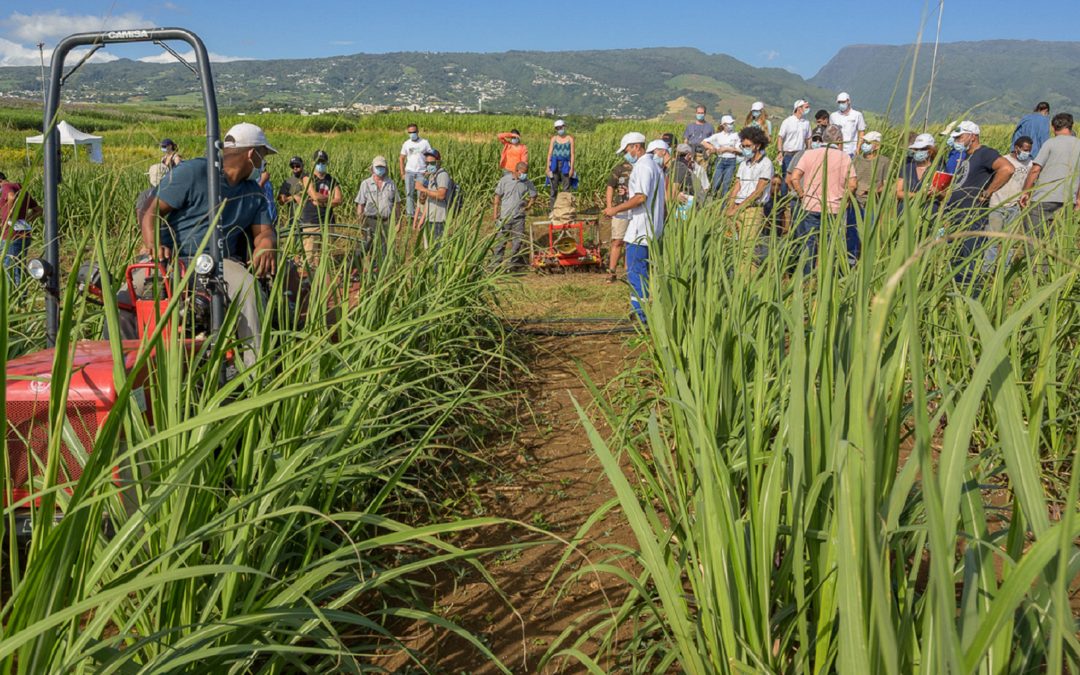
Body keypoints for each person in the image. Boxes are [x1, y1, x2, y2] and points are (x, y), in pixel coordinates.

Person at [133, 122, 276, 366]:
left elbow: (264, 232)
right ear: (251, 154)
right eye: (262, 155)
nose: (263, 162)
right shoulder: (195, 172)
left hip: (220, 263)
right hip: (173, 259)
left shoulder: (253, 193)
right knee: (126, 295)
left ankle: (254, 371)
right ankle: (130, 367)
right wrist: (153, 243)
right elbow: (151, 210)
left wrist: (266, 246)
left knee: (249, 291)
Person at [602, 132, 665, 322]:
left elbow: (640, 197)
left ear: (636, 147)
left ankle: (641, 314)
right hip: (651, 227)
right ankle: (640, 310)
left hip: (641, 230)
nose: (627, 154)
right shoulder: (655, 166)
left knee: (636, 272)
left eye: (628, 150)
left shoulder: (643, 166)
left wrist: (615, 209)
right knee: (642, 272)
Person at [942, 120, 1015, 279]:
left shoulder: (985, 153)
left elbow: (1007, 169)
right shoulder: (966, 156)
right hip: (957, 217)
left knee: (968, 262)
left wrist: (987, 192)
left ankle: (971, 295)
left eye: (960, 137)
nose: (957, 141)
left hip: (972, 217)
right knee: (955, 260)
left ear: (973, 137)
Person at [787, 125, 858, 271]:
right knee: (830, 245)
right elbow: (853, 184)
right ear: (839, 140)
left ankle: (806, 280)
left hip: (810, 206)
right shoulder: (844, 157)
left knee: (809, 245)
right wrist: (844, 200)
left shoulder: (809, 154)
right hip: (834, 208)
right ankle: (826, 278)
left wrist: (802, 195)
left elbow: (794, 178)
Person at [1018, 113, 1080, 237]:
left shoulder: (1050, 143)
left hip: (1043, 198)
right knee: (1058, 238)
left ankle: (1036, 256)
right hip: (1068, 200)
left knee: (1033, 237)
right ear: (1071, 126)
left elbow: (1035, 170)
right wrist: (1078, 199)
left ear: (1053, 127)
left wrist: (1026, 192)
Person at [984, 136, 1033, 267]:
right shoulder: (1004, 160)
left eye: (1029, 150)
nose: (1026, 153)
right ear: (1017, 148)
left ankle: (1005, 269)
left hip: (1015, 206)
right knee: (992, 240)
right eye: (1025, 150)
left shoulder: (1030, 163)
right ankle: (987, 270)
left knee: (1009, 241)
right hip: (997, 204)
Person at [725, 126, 773, 241]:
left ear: (757, 145)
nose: (745, 149)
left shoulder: (766, 164)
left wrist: (737, 209)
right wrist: (730, 206)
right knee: (730, 242)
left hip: (752, 209)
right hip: (736, 205)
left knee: (747, 245)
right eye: (743, 146)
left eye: (748, 146)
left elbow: (758, 192)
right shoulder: (743, 164)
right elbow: (737, 186)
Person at [299, 150, 343, 265]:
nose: (321, 165)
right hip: (312, 222)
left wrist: (321, 202)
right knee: (309, 255)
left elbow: (339, 200)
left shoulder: (331, 180)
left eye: (323, 162)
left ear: (326, 163)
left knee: (325, 256)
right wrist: (329, 198)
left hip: (328, 221)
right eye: (318, 162)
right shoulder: (307, 178)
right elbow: (314, 195)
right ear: (313, 162)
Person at [492, 161, 538, 269]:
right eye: (523, 172)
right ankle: (495, 266)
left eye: (526, 173)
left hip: (519, 218)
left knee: (517, 243)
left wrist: (529, 206)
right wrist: (495, 214)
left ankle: (513, 265)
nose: (525, 175)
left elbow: (534, 195)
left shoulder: (527, 182)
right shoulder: (505, 180)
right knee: (500, 243)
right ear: (516, 171)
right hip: (504, 217)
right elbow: (497, 196)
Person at [354, 155, 400, 259]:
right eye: (377, 167)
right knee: (366, 246)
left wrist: (398, 221)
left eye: (382, 167)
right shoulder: (365, 184)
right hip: (370, 220)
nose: (380, 169)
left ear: (386, 168)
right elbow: (360, 205)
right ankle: (357, 267)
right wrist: (360, 222)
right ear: (373, 168)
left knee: (384, 248)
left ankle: (381, 271)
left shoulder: (391, 184)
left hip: (386, 221)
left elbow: (397, 203)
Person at [0, 172, 42, 286]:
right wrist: (25, 219)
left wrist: (10, 213)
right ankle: (20, 299)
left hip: (11, 235)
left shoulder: (6, 187)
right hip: (23, 234)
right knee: (18, 268)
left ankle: (14, 300)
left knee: (10, 270)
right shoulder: (20, 188)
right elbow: (38, 210)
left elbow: (11, 197)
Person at [413, 148, 452, 245]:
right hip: (430, 218)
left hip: (438, 219)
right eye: (427, 163)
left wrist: (423, 189)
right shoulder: (432, 176)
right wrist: (422, 218)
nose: (429, 166)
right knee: (430, 246)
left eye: (432, 163)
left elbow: (441, 195)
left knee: (436, 247)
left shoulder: (442, 175)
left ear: (438, 162)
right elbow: (429, 200)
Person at [604, 158, 633, 282]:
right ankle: (612, 271)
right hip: (620, 209)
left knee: (630, 242)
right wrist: (610, 206)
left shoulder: (641, 167)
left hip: (636, 210)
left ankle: (628, 271)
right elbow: (610, 186)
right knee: (617, 241)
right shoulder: (619, 169)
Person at [399, 123, 433, 220]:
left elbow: (431, 156)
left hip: (421, 172)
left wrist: (429, 170)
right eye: (410, 132)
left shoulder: (425, 143)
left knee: (421, 193)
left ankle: (421, 214)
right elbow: (401, 158)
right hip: (409, 172)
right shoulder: (406, 143)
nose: (412, 134)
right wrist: (402, 173)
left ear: (417, 132)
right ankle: (410, 214)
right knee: (409, 193)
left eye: (414, 132)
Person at [702, 115, 740, 197]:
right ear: (723, 125)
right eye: (729, 123)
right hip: (720, 160)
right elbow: (704, 142)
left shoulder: (736, 135)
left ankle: (723, 205)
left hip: (731, 161)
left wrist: (726, 149)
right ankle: (712, 200)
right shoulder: (718, 136)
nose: (731, 125)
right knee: (716, 183)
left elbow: (739, 149)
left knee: (727, 184)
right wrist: (713, 148)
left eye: (732, 123)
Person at [896, 133, 936, 206]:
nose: (918, 151)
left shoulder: (938, 169)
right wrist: (919, 195)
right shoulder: (907, 168)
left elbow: (945, 195)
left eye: (922, 149)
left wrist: (936, 192)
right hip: (904, 212)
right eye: (916, 149)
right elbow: (898, 192)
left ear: (930, 151)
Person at [546, 120, 575, 208]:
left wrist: (572, 168)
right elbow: (550, 153)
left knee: (566, 188)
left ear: (564, 127)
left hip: (566, 164)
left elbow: (572, 154)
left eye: (561, 127)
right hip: (554, 164)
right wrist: (548, 167)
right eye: (557, 128)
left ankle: (566, 209)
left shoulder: (570, 139)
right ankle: (552, 209)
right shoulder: (554, 139)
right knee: (553, 188)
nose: (559, 129)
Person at [830, 92, 866, 157]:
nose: (841, 104)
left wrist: (858, 148)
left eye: (843, 102)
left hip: (851, 151)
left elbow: (862, 131)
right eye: (839, 102)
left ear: (848, 101)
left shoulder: (857, 115)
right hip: (836, 151)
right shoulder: (833, 116)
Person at [276, 156, 307, 227]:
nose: (295, 168)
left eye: (297, 165)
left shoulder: (310, 178)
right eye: (293, 166)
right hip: (294, 219)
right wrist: (294, 197)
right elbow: (281, 201)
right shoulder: (288, 182)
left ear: (302, 165)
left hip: (310, 217)